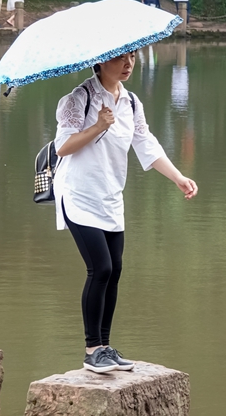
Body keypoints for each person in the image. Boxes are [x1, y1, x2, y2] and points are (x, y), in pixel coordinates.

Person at [54, 53, 197, 373]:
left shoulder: (130, 101)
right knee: (100, 268)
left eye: (132, 56)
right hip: (78, 193)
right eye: (121, 58)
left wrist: (178, 178)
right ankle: (92, 350)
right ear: (101, 61)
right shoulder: (80, 97)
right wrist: (99, 126)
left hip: (110, 196)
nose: (129, 63)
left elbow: (146, 143)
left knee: (115, 269)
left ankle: (105, 347)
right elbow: (62, 146)